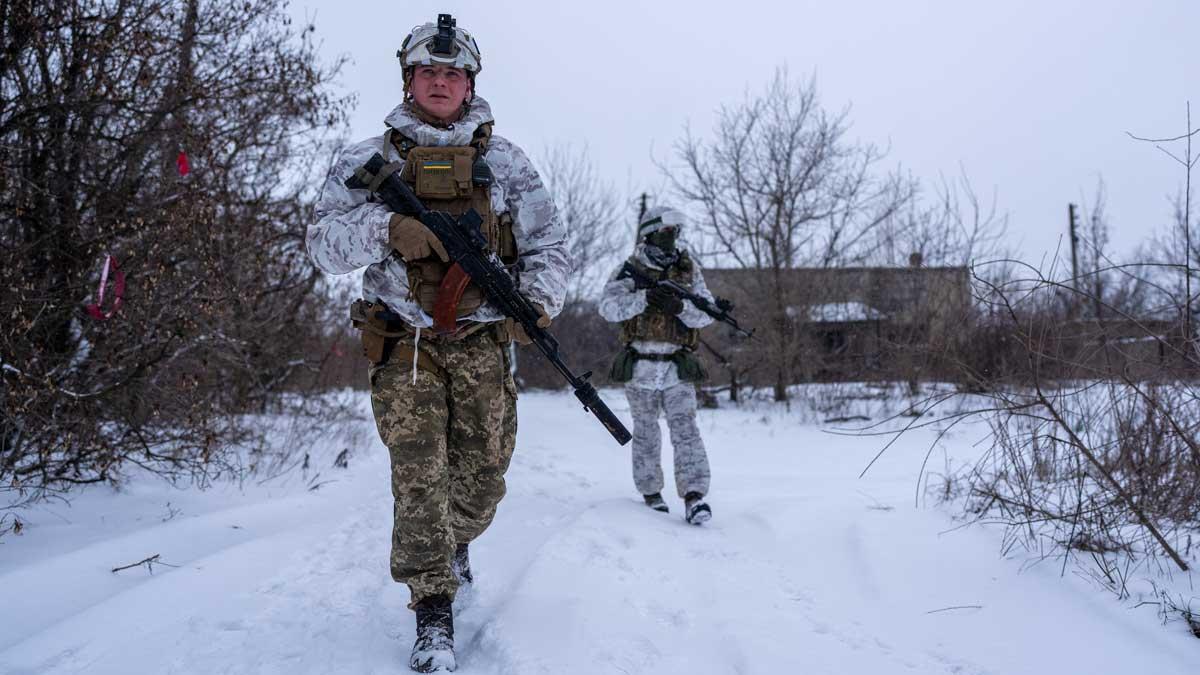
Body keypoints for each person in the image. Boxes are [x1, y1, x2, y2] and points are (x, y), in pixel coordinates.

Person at [306, 14, 568, 673]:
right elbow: (320, 245)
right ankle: (432, 610)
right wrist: (388, 227)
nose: (441, 81)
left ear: (469, 81)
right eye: (429, 71)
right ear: (409, 78)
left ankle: (455, 542)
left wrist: (534, 303)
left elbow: (549, 248)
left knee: (482, 480)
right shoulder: (369, 160)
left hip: (483, 344)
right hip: (405, 345)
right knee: (418, 475)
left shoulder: (505, 162)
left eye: (452, 73)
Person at [598, 206, 714, 525]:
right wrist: (644, 299)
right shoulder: (629, 269)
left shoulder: (689, 269)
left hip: (677, 365)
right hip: (640, 365)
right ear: (650, 233)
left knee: (686, 430)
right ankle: (651, 493)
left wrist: (679, 307)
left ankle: (694, 496)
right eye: (666, 232)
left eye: (675, 232)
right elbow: (607, 307)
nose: (672, 238)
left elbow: (706, 313)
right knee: (647, 433)